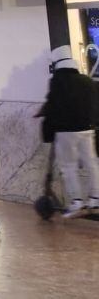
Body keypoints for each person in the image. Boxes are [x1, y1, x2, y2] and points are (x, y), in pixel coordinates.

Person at [39, 45, 99, 217]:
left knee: (69, 166)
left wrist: (47, 132)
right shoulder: (87, 82)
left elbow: (53, 107)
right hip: (87, 129)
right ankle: (95, 198)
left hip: (66, 132)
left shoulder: (57, 82)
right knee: (91, 163)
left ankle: (77, 202)